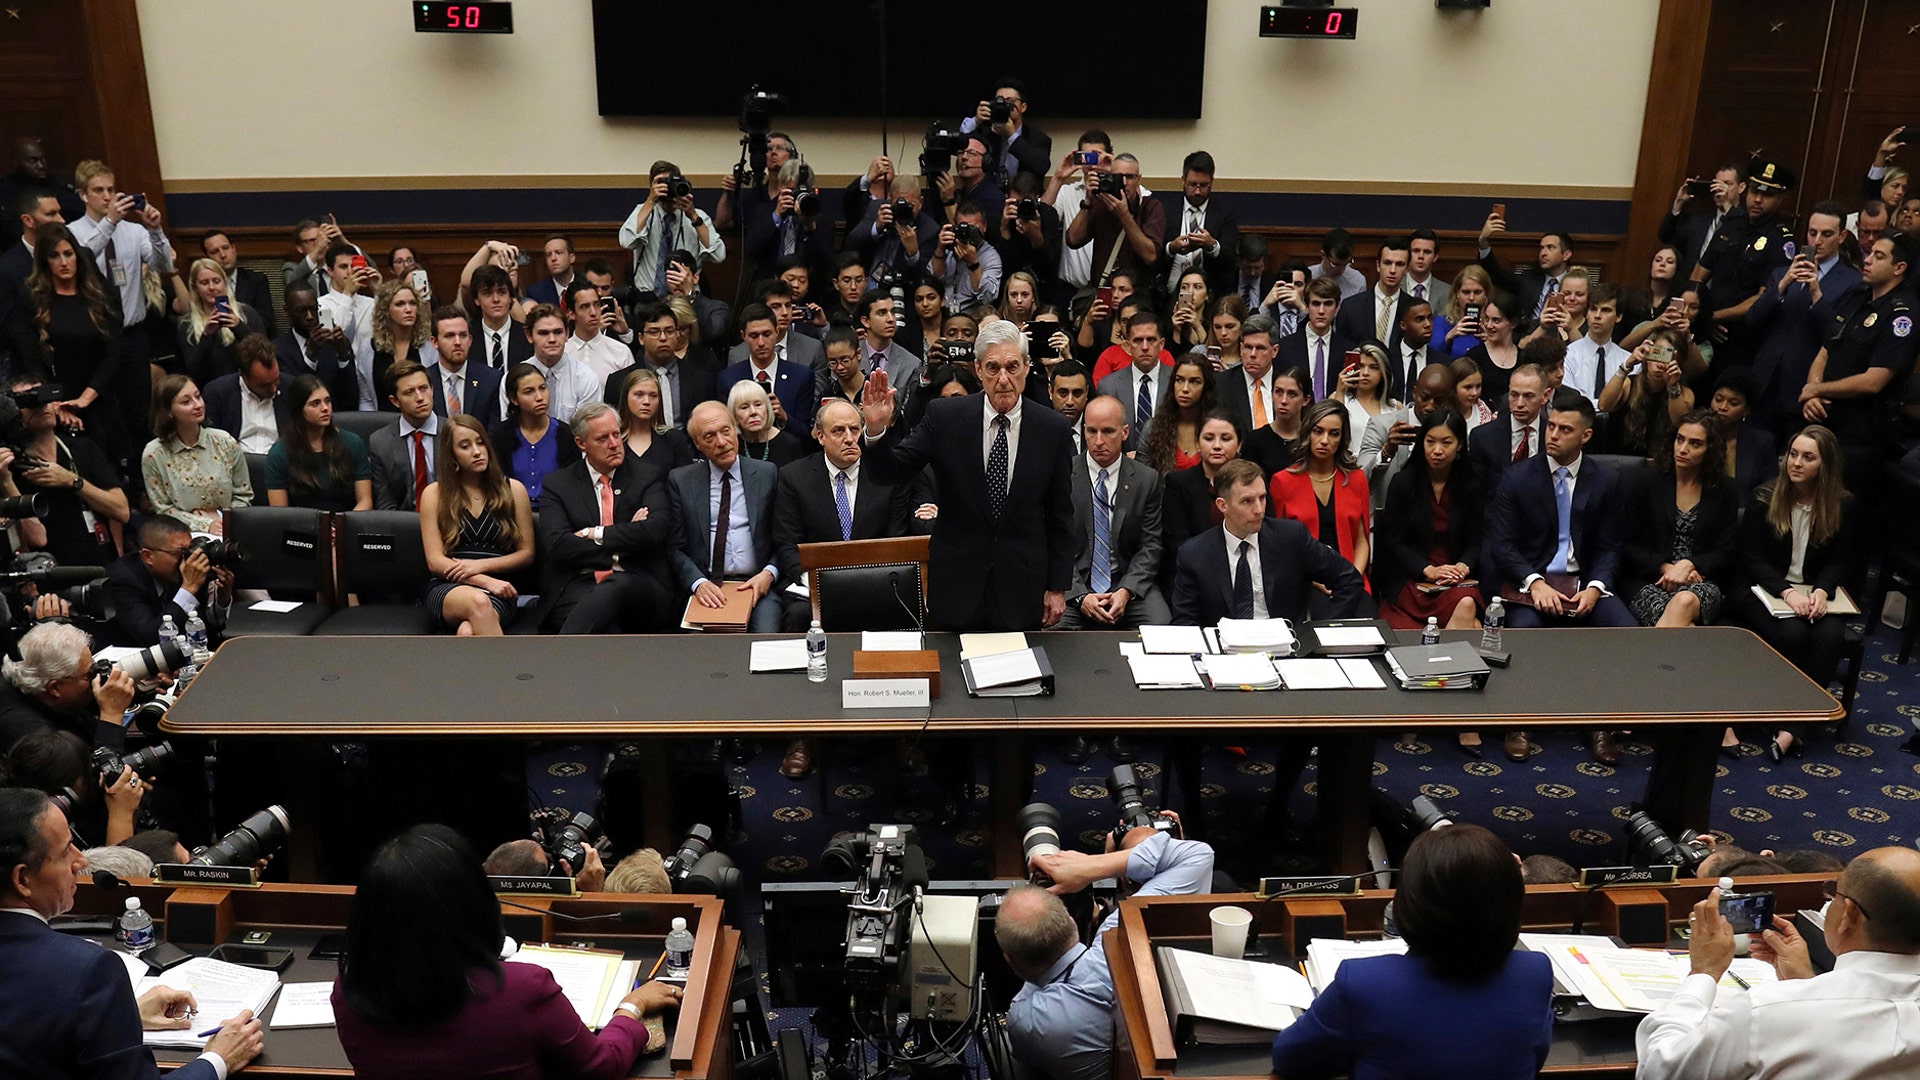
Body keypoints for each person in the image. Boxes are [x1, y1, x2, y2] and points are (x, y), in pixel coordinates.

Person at [334, 824, 678, 1079]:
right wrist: (632, 1008)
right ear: (473, 903)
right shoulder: (522, 990)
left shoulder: (350, 991)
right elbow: (602, 1065)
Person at [0, 787, 264, 1080]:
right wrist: (217, 1059)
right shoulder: (87, 971)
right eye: (64, 852)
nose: (81, 861)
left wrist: (121, 1016)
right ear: (22, 879)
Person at [1272, 825, 1552, 1080]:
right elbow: (1533, 1058)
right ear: (1514, 905)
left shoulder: (1363, 983)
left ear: (1407, 902)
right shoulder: (1535, 973)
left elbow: (1289, 1059)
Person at [1635, 848, 1920, 1079]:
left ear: (1848, 915)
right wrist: (1805, 986)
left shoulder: (1765, 1011)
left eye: (1833, 894)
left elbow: (1660, 1069)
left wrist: (1703, 972)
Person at [997, 819, 1213, 1080]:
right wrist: (1093, 867)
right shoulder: (1125, 931)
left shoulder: (1026, 1020)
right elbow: (1198, 856)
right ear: (1071, 920)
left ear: (1009, 961)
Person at [1486, 390, 1633, 763]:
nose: (1552, 435)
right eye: (1550, 426)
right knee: (1524, 634)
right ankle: (1518, 722)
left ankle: (1602, 723)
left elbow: (1609, 548)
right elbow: (1503, 546)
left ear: (1586, 436)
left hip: (1582, 583)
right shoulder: (1517, 478)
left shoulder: (1606, 480)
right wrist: (1534, 582)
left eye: (1564, 429)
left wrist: (1597, 588)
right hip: (1531, 586)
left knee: (1625, 633)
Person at [1731, 426, 1862, 760]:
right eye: (1793, 454)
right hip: (1763, 589)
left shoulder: (1843, 505)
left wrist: (1822, 591)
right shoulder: (1763, 498)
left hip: (1811, 592)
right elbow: (1752, 559)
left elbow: (1840, 560)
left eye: (1808, 457)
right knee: (1793, 632)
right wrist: (1787, 593)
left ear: (1825, 465)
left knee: (1830, 634)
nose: (1797, 463)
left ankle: (1794, 726)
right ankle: (1781, 713)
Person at [1375, 409, 1485, 753]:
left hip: (1456, 577)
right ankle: (1461, 713)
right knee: (1473, 624)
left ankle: (1426, 708)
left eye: (1446, 442)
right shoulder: (1405, 482)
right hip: (1413, 579)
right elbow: (1392, 541)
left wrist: (1464, 566)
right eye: (1430, 441)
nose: (1437, 449)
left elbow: (1479, 538)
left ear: (1460, 445)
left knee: (1466, 605)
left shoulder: (1472, 482)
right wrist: (1427, 570)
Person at [537, 402, 676, 634]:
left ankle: (558, 658)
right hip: (579, 582)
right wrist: (626, 538)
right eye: (603, 439)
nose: (614, 444)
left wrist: (595, 533)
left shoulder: (647, 475)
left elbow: (655, 530)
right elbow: (558, 545)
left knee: (617, 586)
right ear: (581, 444)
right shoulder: (558, 484)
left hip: (636, 581)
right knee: (608, 628)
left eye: (616, 434)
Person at [1170, 459, 1364, 625]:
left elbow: (1349, 580)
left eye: (1262, 498)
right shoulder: (1194, 553)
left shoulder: (1291, 538)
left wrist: (1319, 632)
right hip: (1225, 654)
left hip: (1285, 651)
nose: (1259, 509)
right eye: (1247, 501)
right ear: (1223, 505)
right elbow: (1185, 621)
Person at [1798, 233, 1918, 501]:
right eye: (1869, 252)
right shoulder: (1857, 297)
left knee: (1844, 514)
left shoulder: (1903, 315)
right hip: (1823, 421)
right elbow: (1826, 349)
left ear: (1899, 268)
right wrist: (1813, 393)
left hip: (1861, 437)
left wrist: (1816, 388)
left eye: (1879, 256)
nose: (1868, 259)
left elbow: (1873, 381)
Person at [5, 223, 125, 453]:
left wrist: (86, 398)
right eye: (55, 255)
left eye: (68, 254)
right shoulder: (32, 297)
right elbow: (31, 357)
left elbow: (115, 349)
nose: (63, 262)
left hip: (99, 394)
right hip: (56, 400)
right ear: (44, 261)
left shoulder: (97, 293)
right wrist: (57, 404)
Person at [669, 401, 782, 634]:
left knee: (765, 640)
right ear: (697, 444)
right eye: (709, 436)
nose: (721, 442)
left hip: (757, 584)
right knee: (702, 653)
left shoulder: (767, 474)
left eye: (726, 431)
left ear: (736, 429)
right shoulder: (681, 481)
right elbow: (674, 547)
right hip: (708, 585)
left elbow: (786, 538)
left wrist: (769, 574)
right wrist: (698, 583)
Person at [1058, 395, 1168, 630]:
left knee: (1161, 627)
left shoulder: (1146, 480)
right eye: (1091, 432)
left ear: (1125, 432)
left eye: (1108, 431)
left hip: (1126, 579)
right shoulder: (1063, 475)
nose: (1098, 441)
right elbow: (1055, 543)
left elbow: (1151, 546)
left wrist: (1126, 591)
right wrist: (1080, 596)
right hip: (1074, 581)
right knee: (1052, 633)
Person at [1748, 201, 1860, 432]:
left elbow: (1837, 337)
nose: (1817, 241)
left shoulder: (1853, 283)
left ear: (1842, 236)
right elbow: (1753, 320)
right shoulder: (1782, 272)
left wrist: (1816, 293)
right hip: (1763, 383)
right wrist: (1781, 286)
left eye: (1826, 234)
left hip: (1803, 388)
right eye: (1812, 232)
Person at [420, 414, 534, 637]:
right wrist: (481, 580)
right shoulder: (434, 494)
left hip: (500, 588)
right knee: (479, 602)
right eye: (465, 446)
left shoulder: (514, 490)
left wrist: (480, 567)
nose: (476, 451)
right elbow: (435, 561)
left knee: (466, 632)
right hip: (448, 586)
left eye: (480, 442)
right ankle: (510, 671)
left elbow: (526, 554)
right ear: (451, 455)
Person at [1624, 410, 1739, 630]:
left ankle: (1652, 665)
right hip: (1650, 579)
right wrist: (1665, 567)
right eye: (1680, 439)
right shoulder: (1645, 481)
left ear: (1710, 450)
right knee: (1683, 625)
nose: (1683, 449)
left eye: (1695, 444)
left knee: (1684, 600)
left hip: (1700, 581)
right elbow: (1627, 545)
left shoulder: (1725, 490)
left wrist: (1689, 564)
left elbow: (1725, 551)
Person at [8, 373, 128, 567]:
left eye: (45, 397)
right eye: (29, 400)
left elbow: (121, 511)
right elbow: (32, 539)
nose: (42, 405)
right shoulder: (10, 466)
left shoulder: (82, 447)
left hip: (102, 567)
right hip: (51, 575)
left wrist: (72, 481)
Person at [1271, 399, 1371, 609]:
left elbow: (1361, 542)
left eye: (1334, 433)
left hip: (1350, 576)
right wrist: (1318, 581)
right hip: (1304, 580)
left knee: (1368, 622)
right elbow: (1279, 547)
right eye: (1318, 431)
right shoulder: (1283, 481)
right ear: (1308, 433)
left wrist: (1351, 577)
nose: (1324, 440)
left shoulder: (1356, 479)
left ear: (1342, 438)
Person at [0, 620, 137, 752]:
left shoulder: (51, 698)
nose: (95, 678)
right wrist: (111, 715)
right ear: (55, 689)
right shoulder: (30, 734)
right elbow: (95, 774)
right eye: (88, 675)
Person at [141, 374, 252, 535]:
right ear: (169, 412)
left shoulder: (225, 442)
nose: (198, 405)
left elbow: (243, 494)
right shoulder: (154, 454)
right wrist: (205, 524)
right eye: (186, 402)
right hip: (182, 533)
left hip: (229, 528)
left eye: (198, 397)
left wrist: (223, 520)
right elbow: (163, 509)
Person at [105, 513, 233, 647]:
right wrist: (188, 589)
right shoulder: (124, 578)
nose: (187, 559)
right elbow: (150, 638)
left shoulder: (185, 572)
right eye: (178, 553)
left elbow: (205, 630)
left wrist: (221, 600)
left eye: (188, 550)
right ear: (148, 557)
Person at [266, 375, 372, 511]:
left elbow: (365, 501)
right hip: (301, 528)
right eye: (315, 404)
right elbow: (280, 514)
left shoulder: (353, 443)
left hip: (347, 525)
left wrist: (342, 526)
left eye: (327, 401)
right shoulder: (279, 453)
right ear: (299, 409)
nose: (325, 408)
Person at [1360, 363, 1455, 514]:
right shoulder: (1381, 425)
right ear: (1414, 392)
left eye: (1439, 400)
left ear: (1449, 399)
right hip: (1387, 522)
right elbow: (1359, 482)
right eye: (1425, 397)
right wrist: (1387, 451)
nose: (1430, 406)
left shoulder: (1453, 433)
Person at [1596, 328, 1704, 458]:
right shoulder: (1629, 384)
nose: (1660, 364)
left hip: (1659, 463)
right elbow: (1603, 405)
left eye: (1667, 357)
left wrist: (1673, 385)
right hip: (1620, 461)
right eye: (1656, 354)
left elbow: (1680, 424)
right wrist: (1626, 366)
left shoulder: (1684, 394)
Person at [494, 304, 600, 425]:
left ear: (567, 334)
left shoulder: (586, 377)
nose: (552, 339)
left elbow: (588, 430)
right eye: (543, 333)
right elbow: (508, 428)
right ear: (529, 336)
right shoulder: (513, 378)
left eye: (558, 332)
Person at [489, 361, 579, 504]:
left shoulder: (566, 434)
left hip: (555, 513)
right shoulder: (500, 436)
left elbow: (572, 486)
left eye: (542, 388)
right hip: (511, 512)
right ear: (513, 399)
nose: (539, 397)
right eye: (529, 392)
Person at [718, 303, 817, 432]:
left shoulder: (801, 376)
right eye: (754, 336)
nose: (761, 343)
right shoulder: (728, 379)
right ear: (743, 336)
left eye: (766, 334)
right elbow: (726, 428)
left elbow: (807, 434)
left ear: (777, 331)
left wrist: (784, 417)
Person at [176, 256, 265, 387]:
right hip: (207, 388)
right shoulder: (186, 324)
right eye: (204, 283)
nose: (212, 287)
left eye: (216, 281)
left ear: (225, 282)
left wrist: (239, 327)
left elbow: (264, 355)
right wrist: (207, 336)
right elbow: (192, 370)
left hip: (247, 385)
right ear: (195, 288)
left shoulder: (247, 313)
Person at [367, 361, 441, 512]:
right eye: (409, 392)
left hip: (451, 523)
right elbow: (385, 502)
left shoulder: (454, 433)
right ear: (395, 401)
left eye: (423, 388)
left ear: (432, 390)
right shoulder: (380, 442)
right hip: (404, 524)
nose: (420, 398)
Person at [1095, 312, 1173, 452]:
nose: (1144, 347)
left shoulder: (1176, 381)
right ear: (1128, 345)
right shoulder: (1109, 386)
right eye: (1137, 340)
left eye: (1151, 340)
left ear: (1161, 344)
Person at [203, 332, 291, 453]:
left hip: (278, 464)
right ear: (244, 376)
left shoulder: (290, 388)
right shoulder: (218, 393)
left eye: (276, 380)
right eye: (264, 385)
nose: (273, 389)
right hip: (236, 463)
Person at [1660, 162, 1747, 280]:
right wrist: (1679, 203)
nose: (1719, 189)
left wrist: (1727, 206)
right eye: (1716, 184)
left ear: (1741, 188)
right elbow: (1666, 238)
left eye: (1727, 184)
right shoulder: (1697, 221)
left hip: (1723, 290)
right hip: (1690, 288)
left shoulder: (1746, 221)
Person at [1467, 361, 1547, 488]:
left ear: (1545, 396)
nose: (1519, 403)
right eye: (1514, 395)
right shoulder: (1482, 437)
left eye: (1528, 396)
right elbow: (1476, 494)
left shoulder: (1553, 436)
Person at [1707, 366, 1776, 501]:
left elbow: (1769, 489)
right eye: (1718, 399)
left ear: (1746, 411)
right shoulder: (1699, 436)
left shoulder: (1761, 442)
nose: (1722, 407)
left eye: (1733, 403)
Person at [1141, 354, 1217, 474]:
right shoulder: (1153, 428)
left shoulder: (1218, 428)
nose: (1185, 388)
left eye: (1194, 382)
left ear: (1206, 387)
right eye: (1179, 380)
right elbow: (1142, 480)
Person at [612, 367, 694, 473]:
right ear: (626, 397)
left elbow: (685, 481)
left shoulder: (673, 439)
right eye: (639, 394)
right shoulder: (613, 439)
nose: (646, 401)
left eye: (653, 396)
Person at [426, 306, 500, 422]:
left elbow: (495, 431)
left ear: (470, 340)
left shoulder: (491, 380)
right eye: (449, 336)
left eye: (463, 335)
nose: (457, 342)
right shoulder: (424, 380)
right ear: (434, 342)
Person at [728, 378, 810, 468]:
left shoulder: (790, 444)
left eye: (758, 405)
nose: (753, 412)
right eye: (744, 407)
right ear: (733, 415)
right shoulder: (731, 445)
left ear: (768, 408)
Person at [1243, 366, 1309, 477]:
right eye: (1278, 392)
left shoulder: (1310, 439)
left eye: (1292, 394)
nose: (1283, 400)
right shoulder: (1255, 440)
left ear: (1305, 400)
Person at [1462, 291, 1520, 411]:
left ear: (1512, 323)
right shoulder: (1474, 356)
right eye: (1486, 319)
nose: (1488, 325)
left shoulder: (1524, 357)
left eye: (1496, 320)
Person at [1337, 342, 1398, 443]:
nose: (1365, 373)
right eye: (1360, 366)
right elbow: (1334, 430)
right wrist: (1340, 391)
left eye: (1373, 367)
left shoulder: (1394, 406)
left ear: (1383, 373)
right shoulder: (1339, 397)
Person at [1432, 265, 1494, 359]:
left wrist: (1490, 342)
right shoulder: (1441, 322)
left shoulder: (1493, 325)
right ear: (1457, 293)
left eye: (1477, 292)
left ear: (1485, 294)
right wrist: (1450, 336)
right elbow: (1432, 357)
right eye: (1466, 292)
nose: (1471, 298)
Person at [1449, 357, 1495, 431]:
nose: (1474, 393)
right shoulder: (1442, 413)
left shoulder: (1483, 411)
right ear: (1453, 386)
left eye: (1478, 386)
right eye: (1468, 387)